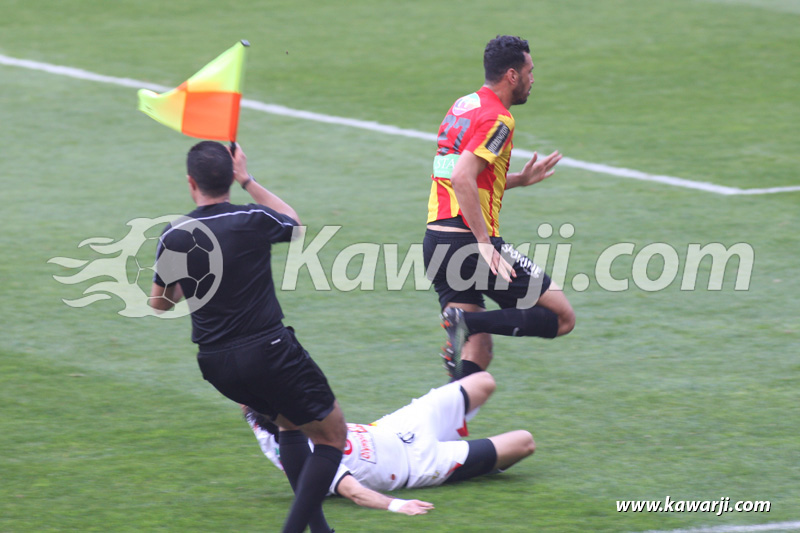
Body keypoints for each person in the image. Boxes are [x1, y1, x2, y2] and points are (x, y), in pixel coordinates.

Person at [149, 141, 347, 533]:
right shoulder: (252, 218)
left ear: (191, 182)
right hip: (268, 351)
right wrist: (248, 180)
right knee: (332, 436)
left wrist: (190, 288)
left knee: (290, 424)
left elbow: (160, 304)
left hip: (217, 364)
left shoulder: (175, 234)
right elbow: (293, 223)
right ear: (228, 177)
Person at [423, 35, 576, 380]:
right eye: (529, 71)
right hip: (469, 243)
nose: (532, 79)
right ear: (511, 75)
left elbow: (456, 177)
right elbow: (463, 176)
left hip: (437, 243)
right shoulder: (499, 119)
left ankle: (450, 428)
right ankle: (466, 322)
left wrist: (517, 180)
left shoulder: (462, 107)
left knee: (475, 353)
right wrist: (483, 243)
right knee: (562, 317)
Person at [244, 371, 535, 516]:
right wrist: (397, 506)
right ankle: (479, 464)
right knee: (524, 442)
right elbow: (355, 493)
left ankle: (470, 448)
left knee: (484, 381)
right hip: (418, 463)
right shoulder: (308, 462)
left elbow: (239, 387)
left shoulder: (262, 420)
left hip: (397, 426)